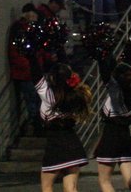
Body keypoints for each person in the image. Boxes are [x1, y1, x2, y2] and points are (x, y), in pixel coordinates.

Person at [36, 62, 92, 192]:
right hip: (73, 145)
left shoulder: (48, 95)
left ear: (53, 78)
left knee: (47, 187)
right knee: (71, 188)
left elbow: (35, 72)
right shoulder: (75, 94)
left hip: (55, 146)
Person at [96, 58, 131, 192]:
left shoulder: (116, 92)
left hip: (111, 136)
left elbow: (106, 76)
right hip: (125, 138)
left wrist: (101, 57)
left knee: (104, 181)